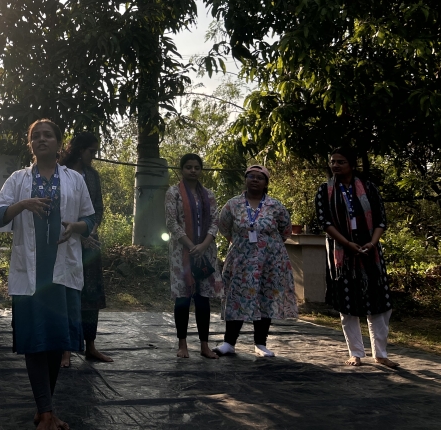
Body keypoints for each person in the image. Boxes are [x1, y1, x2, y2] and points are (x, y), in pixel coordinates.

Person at [0, 119, 95, 430]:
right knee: (36, 340)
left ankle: (46, 410)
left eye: (47, 135)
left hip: (63, 271)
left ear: (59, 142)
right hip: (30, 274)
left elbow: (90, 219)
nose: (41, 140)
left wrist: (75, 227)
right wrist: (21, 204)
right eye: (35, 136)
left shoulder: (75, 179)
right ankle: (46, 411)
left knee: (55, 341)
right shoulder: (18, 179)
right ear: (30, 144)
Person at [314, 147, 396, 368]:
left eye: (340, 162)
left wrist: (372, 243)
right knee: (348, 305)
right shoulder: (325, 190)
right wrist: (347, 244)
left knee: (378, 305)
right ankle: (356, 353)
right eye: (333, 162)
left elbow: (381, 220)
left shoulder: (369, 188)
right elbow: (325, 222)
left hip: (370, 253)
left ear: (351, 164)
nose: (335, 165)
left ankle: (381, 353)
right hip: (343, 256)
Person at [216, 165, 297, 357]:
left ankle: (260, 344)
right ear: (245, 179)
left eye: (260, 178)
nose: (254, 180)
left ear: (266, 183)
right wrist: (243, 244)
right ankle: (229, 342)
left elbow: (286, 230)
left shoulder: (275, 206)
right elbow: (224, 226)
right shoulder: (233, 204)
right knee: (236, 298)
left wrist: (266, 245)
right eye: (251, 176)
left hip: (270, 262)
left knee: (265, 298)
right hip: (241, 261)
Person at [60, 132, 111, 367]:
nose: (94, 156)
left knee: (90, 295)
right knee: (68, 295)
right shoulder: (61, 173)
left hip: (90, 242)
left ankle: (90, 346)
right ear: (80, 150)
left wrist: (90, 230)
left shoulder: (93, 176)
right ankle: (65, 350)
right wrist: (77, 232)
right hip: (66, 241)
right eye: (91, 151)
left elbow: (97, 208)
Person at [165, 153, 223, 359]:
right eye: (188, 167)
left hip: (205, 252)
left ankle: (204, 345)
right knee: (183, 298)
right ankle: (182, 344)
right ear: (182, 169)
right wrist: (191, 246)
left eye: (197, 167)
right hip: (182, 253)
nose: (193, 170)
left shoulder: (209, 195)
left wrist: (203, 245)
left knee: (202, 298)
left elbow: (215, 222)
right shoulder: (174, 193)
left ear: (201, 170)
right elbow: (172, 223)